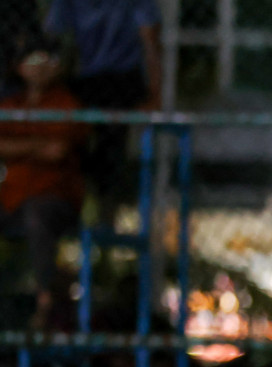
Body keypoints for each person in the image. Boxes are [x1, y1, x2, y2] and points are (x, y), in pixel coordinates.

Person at [0, 34, 85, 330]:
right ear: (19, 67)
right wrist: (37, 147)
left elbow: (58, 150)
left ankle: (45, 303)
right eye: (31, 60)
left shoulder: (67, 103)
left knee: (38, 217)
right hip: (10, 197)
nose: (38, 67)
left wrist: (18, 147)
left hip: (55, 199)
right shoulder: (11, 104)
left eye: (46, 60)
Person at [44, 0, 161, 205]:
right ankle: (78, 193)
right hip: (84, 76)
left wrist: (154, 94)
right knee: (72, 133)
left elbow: (151, 42)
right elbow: (54, 40)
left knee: (110, 139)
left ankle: (105, 199)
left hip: (122, 77)